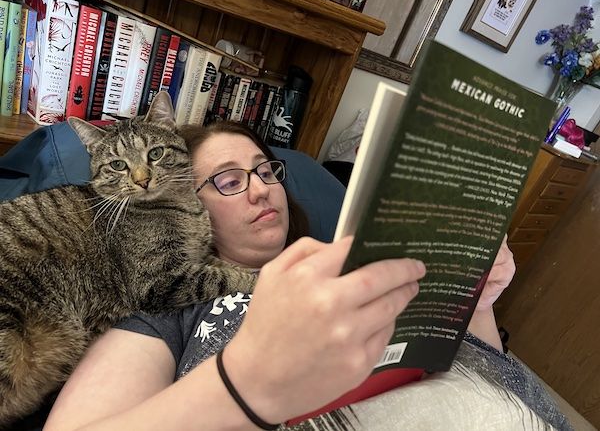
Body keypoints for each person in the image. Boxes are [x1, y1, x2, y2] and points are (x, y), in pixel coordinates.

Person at [44, 121, 570, 431]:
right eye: (229, 180)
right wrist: (243, 383)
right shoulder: (169, 307)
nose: (260, 190)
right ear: (184, 198)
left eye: (266, 170)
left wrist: (477, 299)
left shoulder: (349, 256)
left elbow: (486, 369)